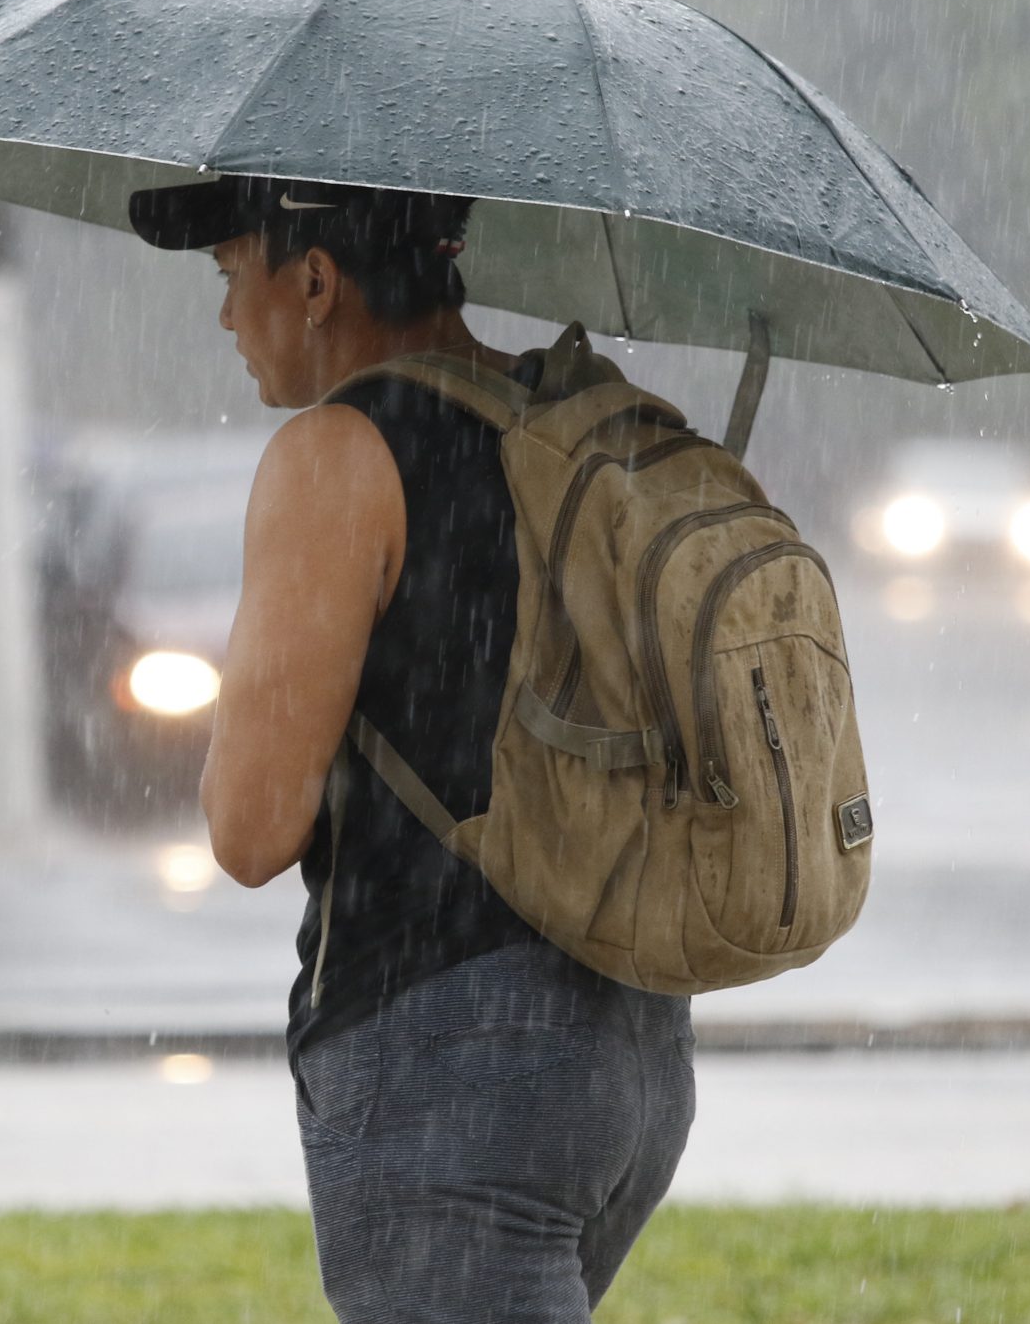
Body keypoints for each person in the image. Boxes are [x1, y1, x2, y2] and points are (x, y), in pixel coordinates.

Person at [130, 175, 695, 1323]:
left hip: (447, 1051)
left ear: (318, 279)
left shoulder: (336, 454)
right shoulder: (566, 422)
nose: (226, 317)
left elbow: (247, 830)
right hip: (630, 1043)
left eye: (235, 274)